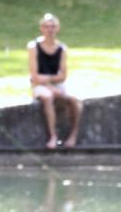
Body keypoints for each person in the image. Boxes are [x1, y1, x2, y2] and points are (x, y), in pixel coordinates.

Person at [28, 13, 81, 149]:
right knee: (47, 96)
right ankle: (52, 136)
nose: (49, 30)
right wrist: (49, 84)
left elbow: (63, 76)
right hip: (39, 85)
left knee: (75, 99)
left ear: (57, 28)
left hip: (56, 84)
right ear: (41, 28)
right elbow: (34, 76)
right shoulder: (33, 47)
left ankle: (73, 135)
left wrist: (50, 79)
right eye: (46, 27)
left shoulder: (62, 48)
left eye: (52, 27)